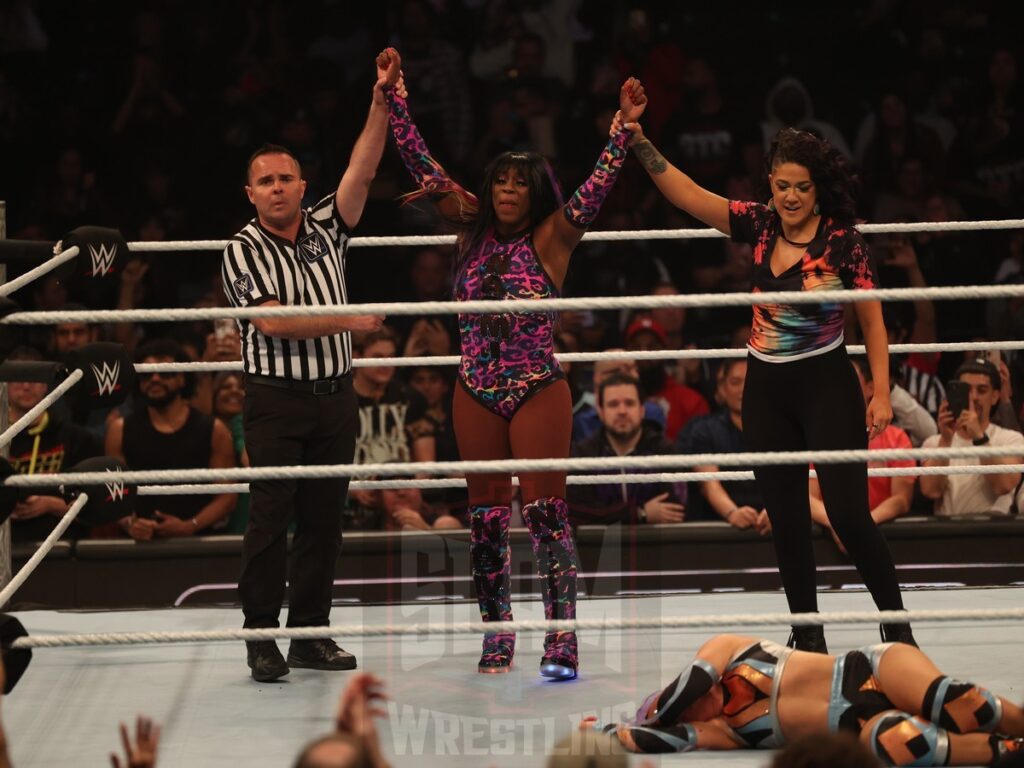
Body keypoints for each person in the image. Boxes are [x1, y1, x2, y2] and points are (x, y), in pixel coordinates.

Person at [384, 47, 646, 679]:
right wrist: (393, 99)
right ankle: (496, 635)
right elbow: (425, 167)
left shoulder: (554, 237)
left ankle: (561, 641)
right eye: (499, 181)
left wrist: (621, 134)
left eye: (517, 184)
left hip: (535, 386)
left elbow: (594, 191)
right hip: (474, 386)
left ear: (532, 194)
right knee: (485, 520)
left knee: (549, 514)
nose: (506, 191)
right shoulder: (469, 229)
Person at [621, 118, 914, 651]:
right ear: (770, 183)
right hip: (766, 387)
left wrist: (879, 390)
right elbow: (688, 196)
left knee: (849, 512)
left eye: (802, 186)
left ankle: (896, 623)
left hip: (826, 380)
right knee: (785, 516)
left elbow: (871, 319)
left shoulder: (843, 240)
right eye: (782, 186)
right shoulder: (757, 225)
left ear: (818, 185)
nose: (792, 197)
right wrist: (638, 142)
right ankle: (807, 632)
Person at [219, 50, 399, 682]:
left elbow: (364, 168)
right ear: (251, 193)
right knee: (270, 520)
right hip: (275, 398)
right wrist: (349, 320)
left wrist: (380, 101)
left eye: (285, 179)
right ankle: (260, 636)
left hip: (334, 396)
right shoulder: (239, 249)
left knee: (325, 519)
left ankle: (310, 635)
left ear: (300, 185)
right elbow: (270, 321)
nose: (276, 188)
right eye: (264, 181)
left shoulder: (327, 225)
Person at [582, 632, 1024, 764]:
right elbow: (667, 742)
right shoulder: (724, 731)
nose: (693, 701)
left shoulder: (725, 650)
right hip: (860, 727)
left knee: (964, 704)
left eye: (672, 696)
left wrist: (661, 709)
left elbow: (694, 681)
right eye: (672, 708)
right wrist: (607, 734)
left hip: (872, 668)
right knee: (902, 742)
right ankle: (1007, 753)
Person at [106, 339, 236, 539]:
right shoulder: (120, 430)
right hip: (138, 544)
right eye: (146, 374)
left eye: (166, 372)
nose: (155, 379)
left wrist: (191, 525)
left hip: (199, 544)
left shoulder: (214, 430)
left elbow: (227, 497)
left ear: (182, 378)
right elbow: (113, 492)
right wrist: (131, 524)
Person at [809, 356, 916, 551]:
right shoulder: (819, 437)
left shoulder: (896, 438)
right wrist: (839, 525)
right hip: (829, 540)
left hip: (883, 537)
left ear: (870, 388)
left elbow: (901, 500)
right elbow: (809, 498)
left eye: (848, 379)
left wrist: (864, 526)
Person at [4, 345, 103, 542]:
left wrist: (50, 504)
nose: (26, 386)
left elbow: (98, 506)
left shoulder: (77, 438)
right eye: (18, 378)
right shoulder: (2, 439)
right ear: (4, 384)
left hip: (62, 550)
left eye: (33, 378)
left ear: (45, 385)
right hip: (5, 552)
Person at [569, 373, 683, 525]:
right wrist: (639, 513)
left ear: (642, 410)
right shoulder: (582, 455)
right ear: (601, 412)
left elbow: (674, 510)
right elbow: (577, 513)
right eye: (613, 404)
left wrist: (608, 514)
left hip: (657, 544)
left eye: (629, 403)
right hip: (598, 546)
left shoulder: (664, 450)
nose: (622, 411)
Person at [920, 358, 1024, 515]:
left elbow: (1003, 485)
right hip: (946, 533)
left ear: (995, 396)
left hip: (992, 532)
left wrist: (979, 437)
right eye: (967, 390)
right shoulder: (935, 442)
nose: (974, 397)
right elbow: (931, 490)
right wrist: (946, 440)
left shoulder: (1011, 440)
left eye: (981, 390)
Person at [676, 359, 766, 527]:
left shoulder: (779, 430)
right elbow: (709, 485)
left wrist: (776, 512)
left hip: (772, 524)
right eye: (735, 382)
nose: (743, 389)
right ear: (722, 389)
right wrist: (732, 512)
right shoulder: (704, 430)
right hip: (719, 527)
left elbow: (789, 480)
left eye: (750, 381)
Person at [622, 317, 709, 441]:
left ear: (665, 350)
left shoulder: (691, 402)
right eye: (636, 347)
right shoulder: (615, 402)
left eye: (652, 347)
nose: (643, 353)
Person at [572, 351, 665, 442]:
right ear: (598, 378)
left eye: (635, 369)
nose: (634, 375)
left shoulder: (652, 412)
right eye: (621, 371)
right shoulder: (581, 418)